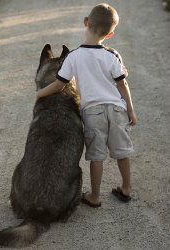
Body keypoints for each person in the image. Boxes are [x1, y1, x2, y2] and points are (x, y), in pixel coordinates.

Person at [37, 3, 137, 207]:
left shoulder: (73, 56)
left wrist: (40, 93)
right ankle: (126, 189)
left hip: (93, 112)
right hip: (117, 110)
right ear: (110, 35)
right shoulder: (112, 55)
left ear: (85, 22)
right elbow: (122, 83)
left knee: (97, 156)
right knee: (122, 152)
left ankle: (95, 197)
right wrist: (130, 110)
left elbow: (59, 85)